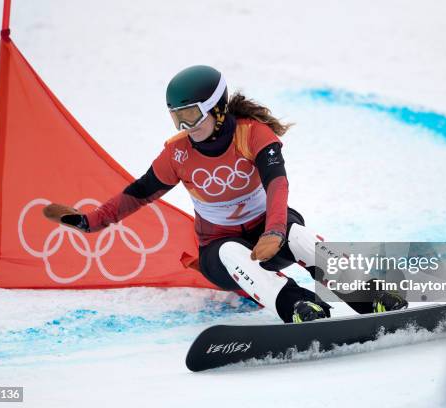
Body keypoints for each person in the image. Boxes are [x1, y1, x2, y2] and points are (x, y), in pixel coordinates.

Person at [43, 65, 407, 323]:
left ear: (217, 110)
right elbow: (139, 193)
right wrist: (92, 222)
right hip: (220, 255)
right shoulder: (179, 153)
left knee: (299, 236)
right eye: (177, 119)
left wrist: (275, 231)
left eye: (191, 116)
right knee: (234, 251)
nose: (186, 127)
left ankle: (366, 296)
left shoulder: (252, 134)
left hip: (271, 234)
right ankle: (298, 307)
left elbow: (278, 184)